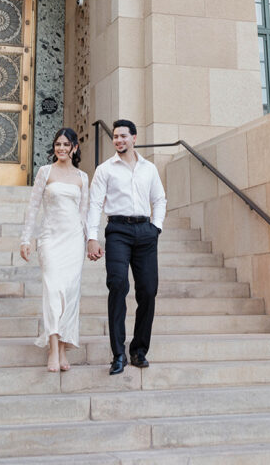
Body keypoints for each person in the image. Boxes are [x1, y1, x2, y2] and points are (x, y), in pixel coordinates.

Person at [87, 119, 167, 375]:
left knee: (148, 291)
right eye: (116, 137)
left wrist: (156, 227)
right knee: (118, 285)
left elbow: (159, 199)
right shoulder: (105, 169)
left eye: (123, 136)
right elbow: (95, 204)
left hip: (145, 232)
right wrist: (92, 237)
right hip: (118, 231)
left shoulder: (149, 169)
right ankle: (118, 354)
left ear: (134, 138)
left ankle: (139, 350)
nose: (119, 140)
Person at [20, 127, 89, 372]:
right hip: (50, 239)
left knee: (69, 294)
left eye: (65, 144)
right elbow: (33, 207)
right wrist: (25, 239)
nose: (61, 148)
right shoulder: (45, 172)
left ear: (74, 148)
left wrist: (90, 239)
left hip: (73, 241)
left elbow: (84, 214)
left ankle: (62, 349)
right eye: (57, 144)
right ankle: (52, 348)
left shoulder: (82, 177)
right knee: (52, 290)